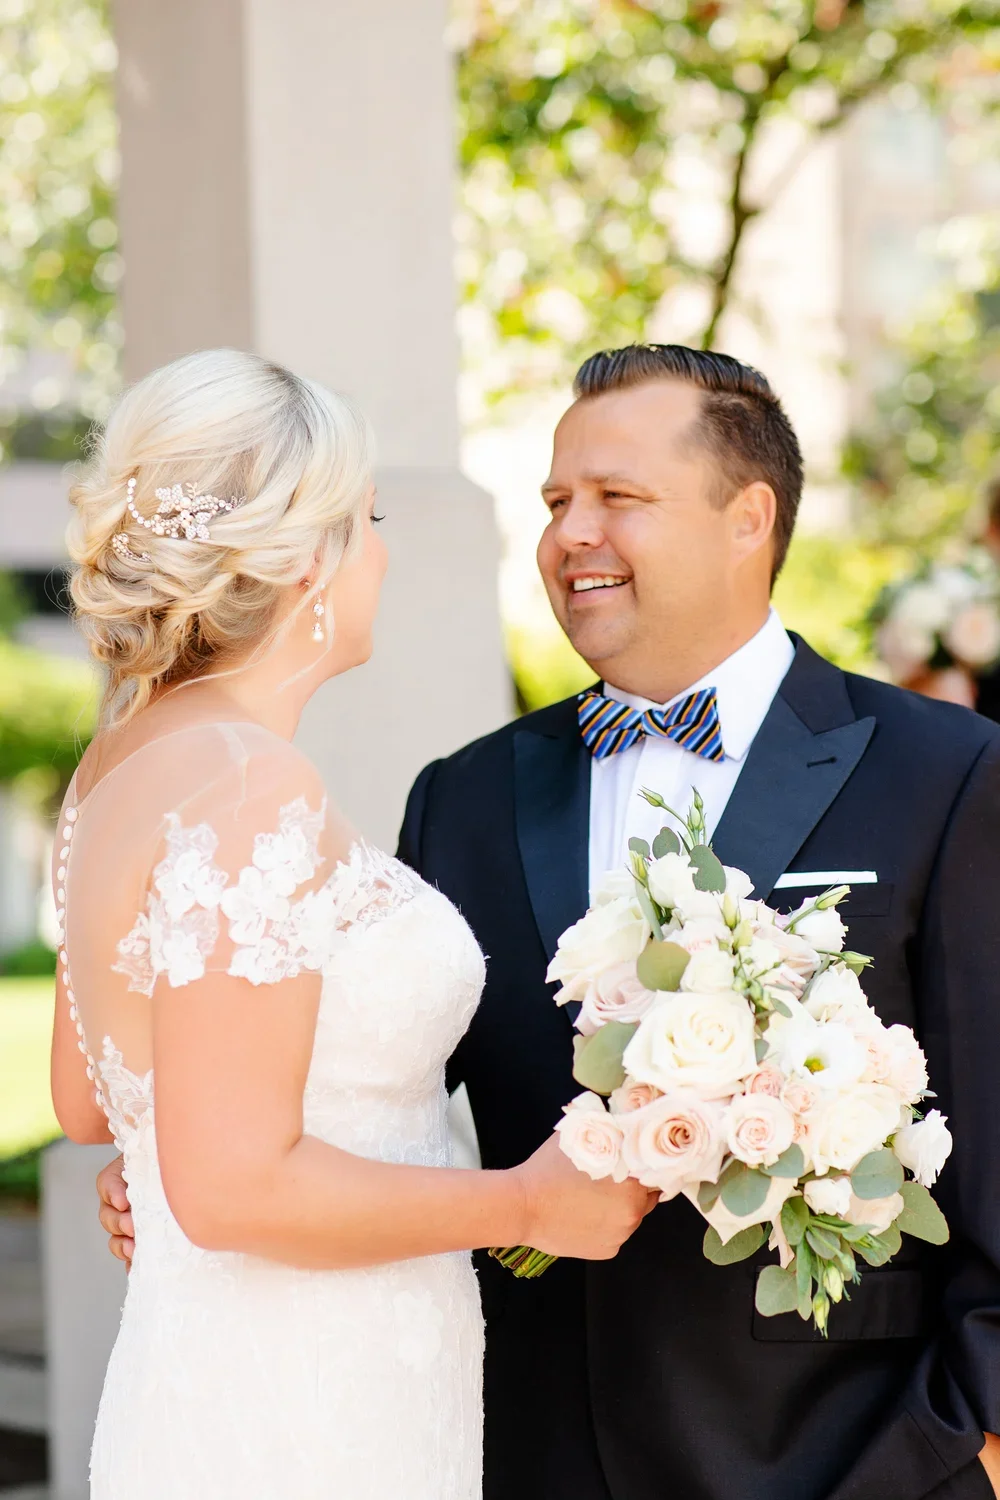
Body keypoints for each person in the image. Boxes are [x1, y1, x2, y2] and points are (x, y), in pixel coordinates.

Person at [98, 344, 1000, 1500]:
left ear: (747, 518)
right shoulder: (465, 794)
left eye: (617, 497)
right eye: (555, 502)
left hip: (849, 1460)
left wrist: (963, 1456)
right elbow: (362, 1078)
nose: (571, 533)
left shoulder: (947, 775)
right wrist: (174, 1148)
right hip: (524, 1450)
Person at [55, 347, 654, 1500]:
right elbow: (234, 1188)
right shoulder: (249, 784)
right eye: (367, 520)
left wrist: (169, 1166)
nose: (379, 551)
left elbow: (92, 1098)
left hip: (229, 1371)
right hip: (309, 1397)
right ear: (307, 560)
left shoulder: (114, 765)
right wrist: (528, 1203)